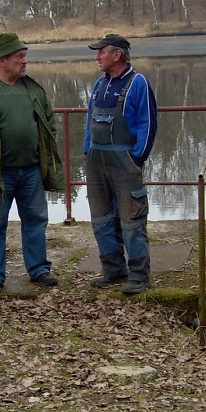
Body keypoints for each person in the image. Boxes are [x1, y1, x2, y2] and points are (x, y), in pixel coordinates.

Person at [0, 32, 63, 298]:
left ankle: (39, 269)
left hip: (30, 171)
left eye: (25, 55)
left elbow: (49, 124)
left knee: (36, 220)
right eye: (20, 56)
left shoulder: (34, 90)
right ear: (2, 60)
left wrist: (46, 154)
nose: (25, 61)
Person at [83, 33, 157, 295]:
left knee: (131, 219)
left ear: (117, 55)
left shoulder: (138, 83)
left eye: (101, 52)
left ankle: (139, 274)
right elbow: (90, 121)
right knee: (101, 219)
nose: (97, 57)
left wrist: (136, 158)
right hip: (96, 161)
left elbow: (147, 125)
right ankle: (113, 269)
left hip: (124, 161)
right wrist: (87, 150)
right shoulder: (99, 85)